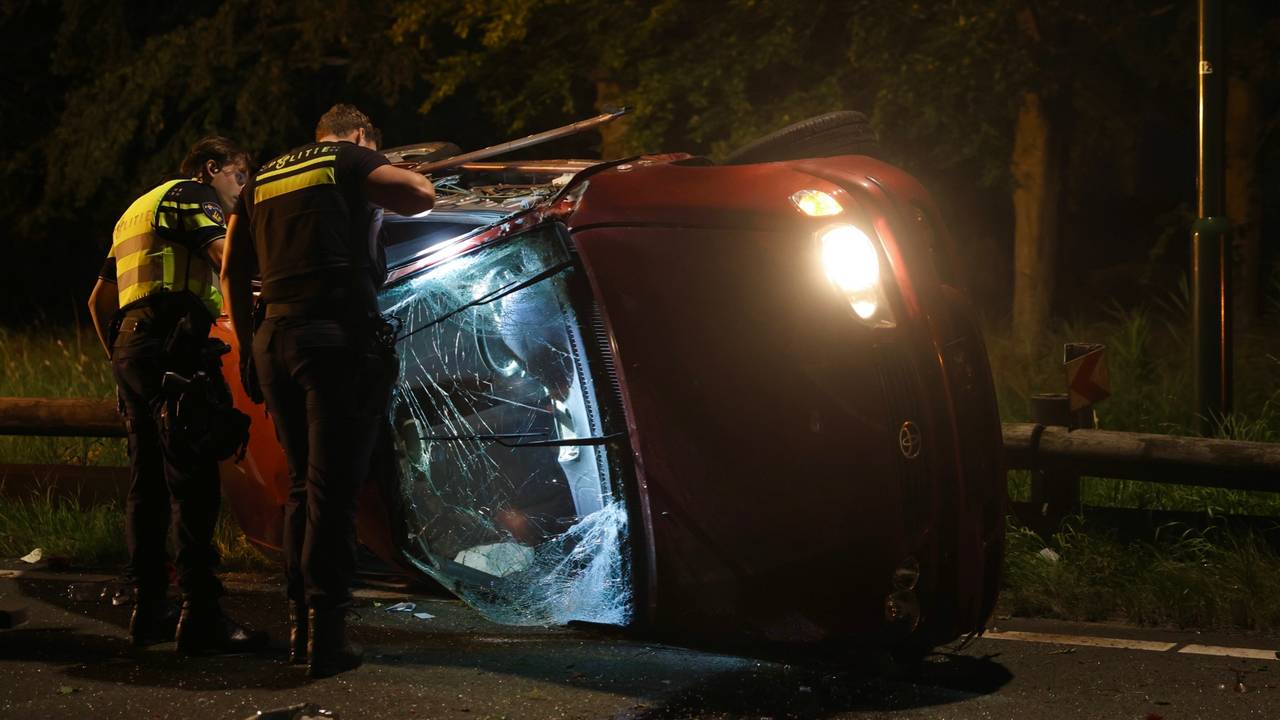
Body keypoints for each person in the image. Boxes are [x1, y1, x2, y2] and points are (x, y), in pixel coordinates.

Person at [221, 104, 435, 677]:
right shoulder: (348, 157)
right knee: (332, 492)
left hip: (273, 340)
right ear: (361, 134)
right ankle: (327, 636)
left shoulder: (264, 176)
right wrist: (392, 168)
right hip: (337, 338)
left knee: (300, 485)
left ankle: (299, 628)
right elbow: (420, 195)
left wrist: (248, 348)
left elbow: (232, 272)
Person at [87, 136, 268, 654]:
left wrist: (121, 357)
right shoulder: (192, 195)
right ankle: (201, 613)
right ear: (211, 170)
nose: (243, 189)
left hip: (133, 347)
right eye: (239, 176)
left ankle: (149, 610)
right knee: (193, 480)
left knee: (147, 483)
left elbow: (98, 299)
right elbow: (224, 258)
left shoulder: (134, 211)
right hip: (174, 344)